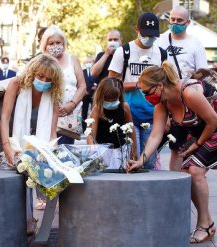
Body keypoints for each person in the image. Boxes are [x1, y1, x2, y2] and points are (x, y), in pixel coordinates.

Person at [128, 62, 217, 243]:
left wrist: (197, 143)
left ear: (160, 86)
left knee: (195, 171)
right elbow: (155, 135)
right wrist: (141, 160)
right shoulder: (162, 104)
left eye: (146, 92)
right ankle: (208, 222)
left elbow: (213, 121)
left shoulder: (188, 93)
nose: (145, 97)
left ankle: (204, 225)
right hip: (201, 128)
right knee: (187, 172)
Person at [0, 54, 63, 234]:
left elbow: (51, 131)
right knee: (11, 172)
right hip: (4, 125)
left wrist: (51, 153)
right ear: (32, 72)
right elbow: (4, 118)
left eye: (49, 79)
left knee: (31, 169)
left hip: (33, 134)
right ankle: (10, 220)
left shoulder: (54, 92)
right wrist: (7, 145)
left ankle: (29, 221)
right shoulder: (17, 83)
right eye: (40, 76)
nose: (44, 81)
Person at [108, 12, 166, 169]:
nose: (149, 38)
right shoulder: (124, 51)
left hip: (153, 115)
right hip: (129, 115)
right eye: (146, 34)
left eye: (153, 36)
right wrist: (136, 84)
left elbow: (166, 85)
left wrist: (168, 118)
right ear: (137, 30)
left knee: (149, 162)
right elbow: (111, 83)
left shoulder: (161, 53)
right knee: (132, 159)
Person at [157, 5, 208, 171]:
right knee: (160, 143)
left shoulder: (195, 43)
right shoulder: (160, 40)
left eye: (179, 21)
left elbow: (203, 73)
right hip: (165, 100)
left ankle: (179, 185)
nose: (175, 23)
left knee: (178, 150)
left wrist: (192, 77)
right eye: (172, 19)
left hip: (187, 100)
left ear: (188, 22)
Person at [40, 25, 86, 145]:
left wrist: (72, 104)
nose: (55, 46)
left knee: (65, 154)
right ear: (45, 44)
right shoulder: (41, 61)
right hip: (46, 116)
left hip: (68, 119)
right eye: (51, 43)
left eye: (58, 42)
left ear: (64, 43)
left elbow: (82, 86)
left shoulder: (73, 60)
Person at [86, 77, 136, 169]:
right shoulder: (97, 109)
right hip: (103, 150)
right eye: (107, 98)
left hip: (121, 149)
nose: (111, 101)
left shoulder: (124, 107)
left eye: (114, 99)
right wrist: (92, 150)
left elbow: (131, 129)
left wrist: (134, 152)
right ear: (101, 96)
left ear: (119, 95)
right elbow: (91, 134)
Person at [81, 57, 98, 131]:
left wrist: (96, 86)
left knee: (94, 111)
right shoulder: (82, 72)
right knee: (84, 112)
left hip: (94, 95)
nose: (89, 63)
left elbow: (98, 80)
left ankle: (93, 127)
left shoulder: (96, 71)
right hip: (85, 95)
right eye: (87, 62)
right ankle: (84, 129)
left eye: (90, 62)